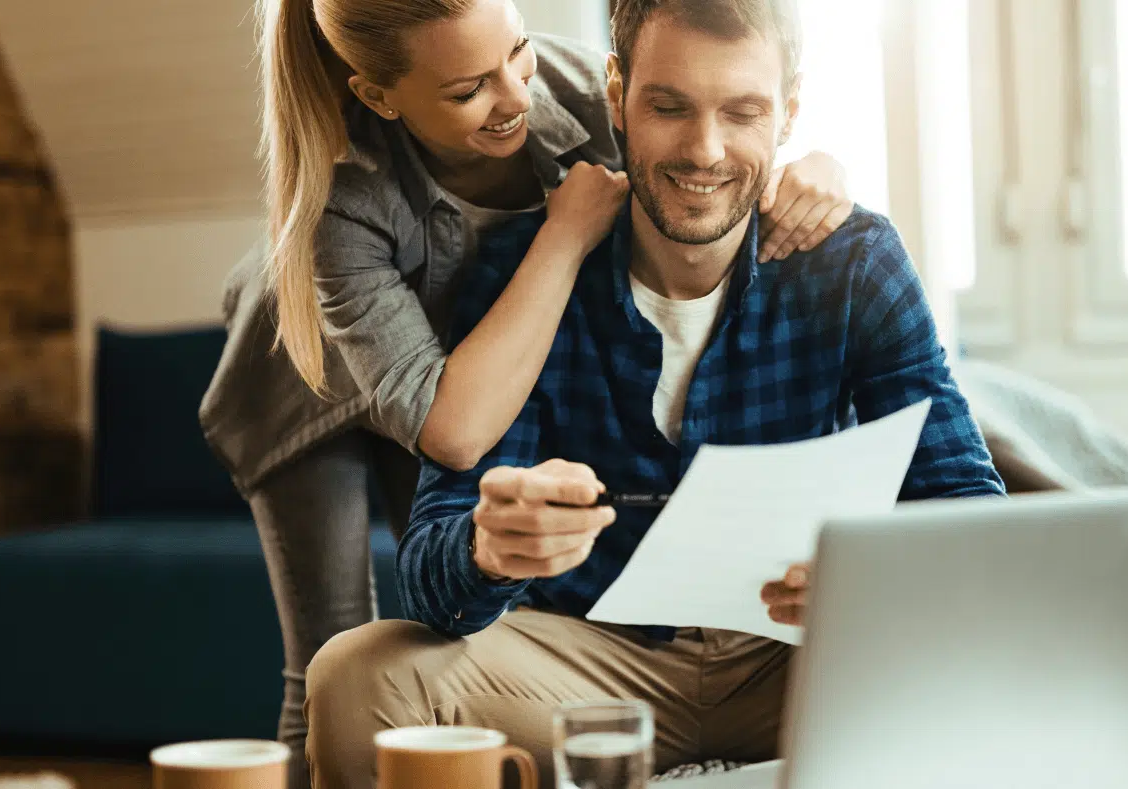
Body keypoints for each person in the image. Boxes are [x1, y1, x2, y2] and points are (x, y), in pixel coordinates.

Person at [300, 0, 1006, 787]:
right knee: (357, 675)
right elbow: (431, 573)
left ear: (788, 114)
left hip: (802, 663)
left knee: (999, 655)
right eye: (668, 107)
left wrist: (876, 581)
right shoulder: (523, 276)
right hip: (588, 668)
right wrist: (487, 550)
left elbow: (965, 503)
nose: (704, 151)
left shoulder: (854, 261)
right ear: (615, 97)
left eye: (743, 112)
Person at [199, 0, 855, 784]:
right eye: (470, 87)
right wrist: (566, 234)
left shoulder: (578, 87)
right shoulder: (342, 206)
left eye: (517, 51)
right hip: (310, 389)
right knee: (330, 659)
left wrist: (816, 172)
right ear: (381, 96)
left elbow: (707, 160)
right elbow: (455, 432)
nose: (516, 96)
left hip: (475, 358)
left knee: (453, 609)